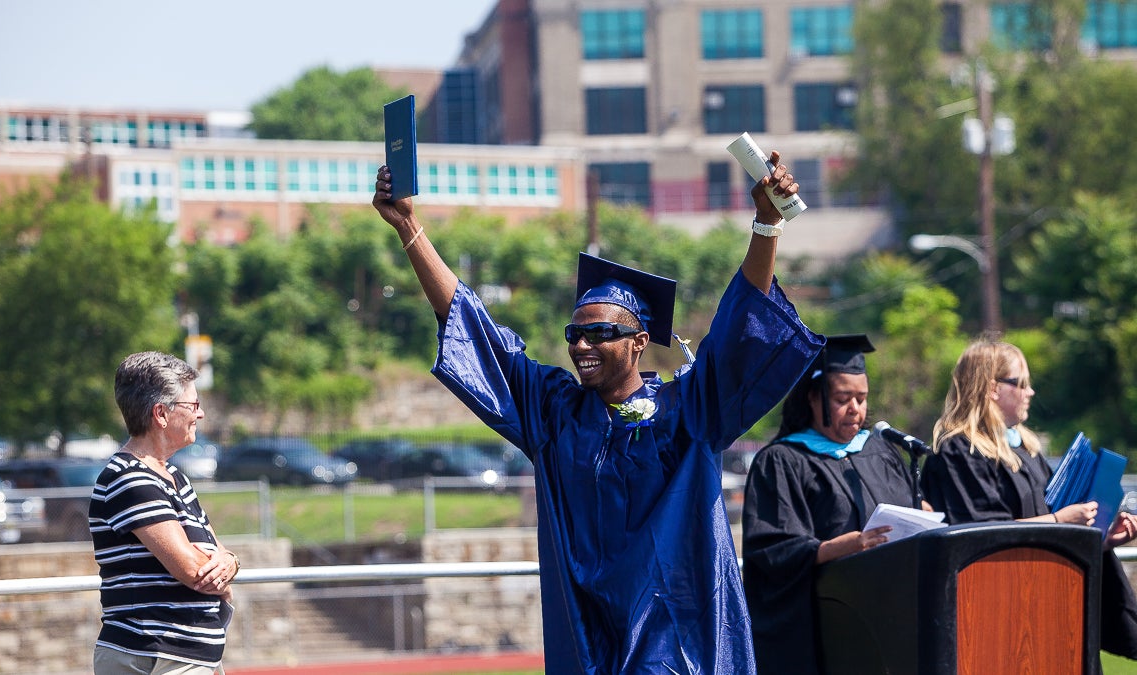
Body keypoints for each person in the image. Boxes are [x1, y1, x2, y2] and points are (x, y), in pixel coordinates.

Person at [372, 152, 823, 673]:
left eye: (601, 333)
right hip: (589, 641)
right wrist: (408, 226)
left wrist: (767, 224)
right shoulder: (552, 413)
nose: (582, 343)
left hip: (679, 645)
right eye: (575, 333)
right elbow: (470, 323)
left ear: (638, 343)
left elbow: (738, 324)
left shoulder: (689, 412)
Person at [920, 339, 1137, 659]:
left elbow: (1050, 526)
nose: (1030, 392)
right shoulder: (959, 451)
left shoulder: (1027, 451)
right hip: (995, 614)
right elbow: (981, 534)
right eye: (1020, 383)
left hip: (1049, 600)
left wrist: (1098, 539)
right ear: (991, 388)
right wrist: (1059, 522)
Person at [741, 334, 921, 675]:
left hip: (891, 617)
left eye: (862, 398)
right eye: (843, 398)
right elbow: (770, 551)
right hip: (827, 625)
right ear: (813, 397)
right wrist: (839, 547)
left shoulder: (881, 451)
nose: (856, 409)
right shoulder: (782, 461)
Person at [89, 351, 238, 675]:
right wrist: (221, 572)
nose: (200, 415)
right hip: (156, 656)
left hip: (185, 657)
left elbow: (217, 553)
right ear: (161, 414)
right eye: (193, 406)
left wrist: (230, 562)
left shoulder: (174, 477)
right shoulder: (129, 478)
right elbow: (192, 569)